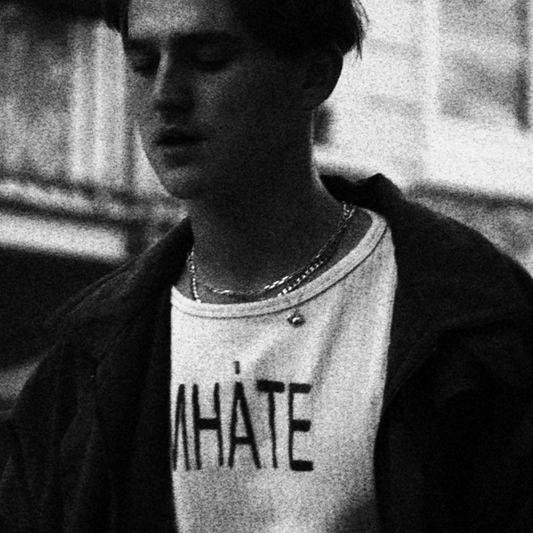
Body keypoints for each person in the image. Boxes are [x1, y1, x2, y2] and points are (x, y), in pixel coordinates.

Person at [1, 0, 533, 531]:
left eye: (208, 60)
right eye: (142, 63)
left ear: (314, 75)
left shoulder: (473, 321)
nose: (165, 95)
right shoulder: (87, 363)